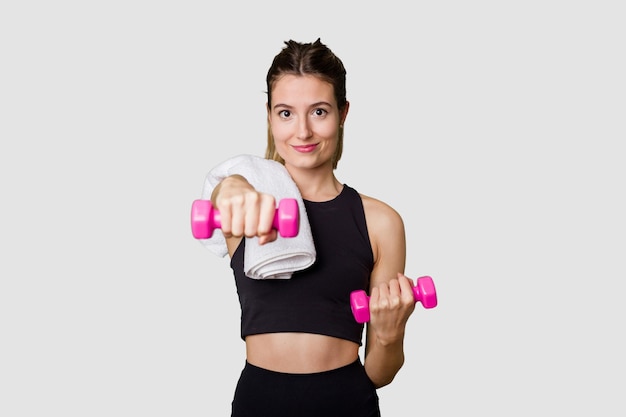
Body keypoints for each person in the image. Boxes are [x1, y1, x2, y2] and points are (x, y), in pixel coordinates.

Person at [208, 38, 417, 417]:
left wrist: (389, 334)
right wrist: (231, 188)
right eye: (286, 113)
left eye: (319, 112)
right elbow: (223, 187)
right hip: (259, 401)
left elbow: (379, 373)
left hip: (346, 401)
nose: (302, 132)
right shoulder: (250, 203)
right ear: (269, 116)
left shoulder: (381, 222)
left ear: (343, 113)